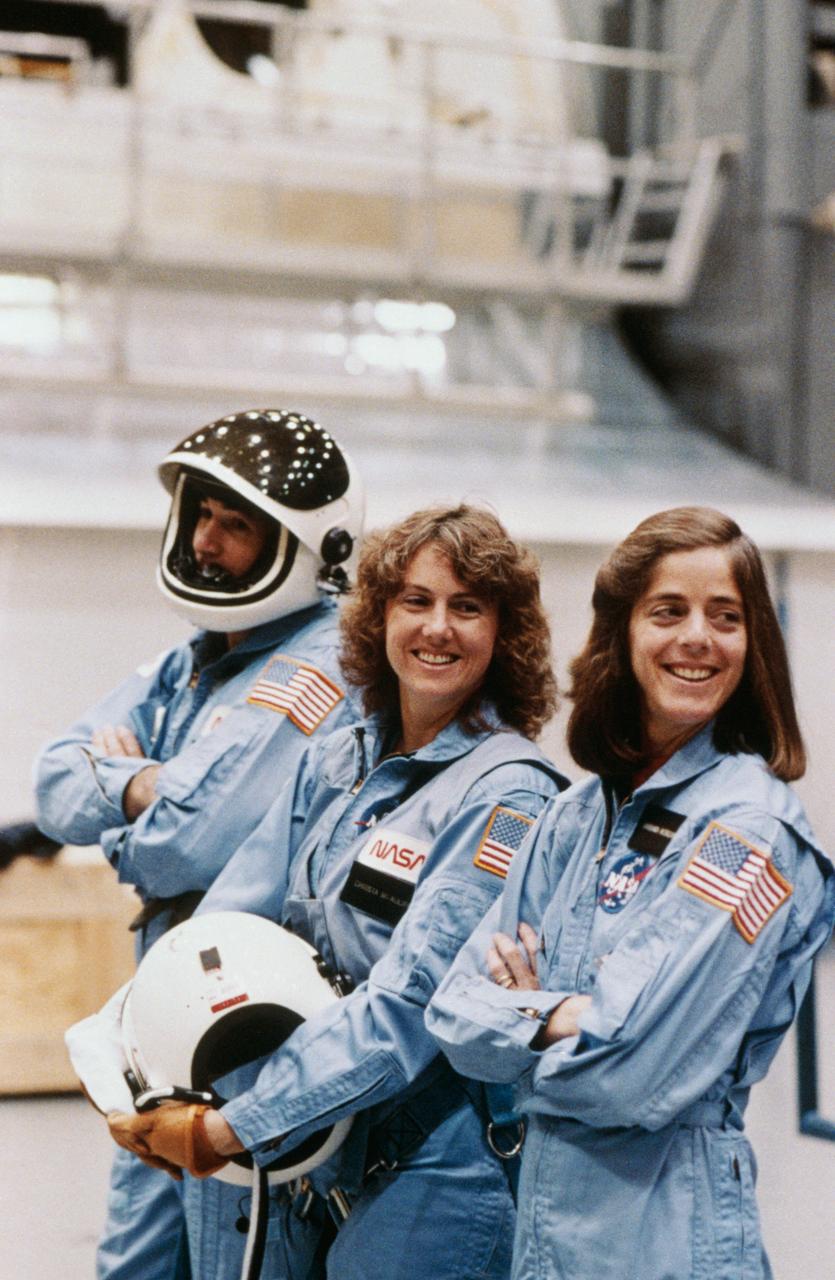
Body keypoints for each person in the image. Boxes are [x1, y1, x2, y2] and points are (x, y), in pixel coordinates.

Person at [105, 503, 569, 1280]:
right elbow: (227, 922)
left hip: (432, 1163)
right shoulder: (338, 760)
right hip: (316, 1149)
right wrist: (153, 1062)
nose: (436, 628)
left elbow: (407, 1007)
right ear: (379, 615)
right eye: (415, 601)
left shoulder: (507, 795)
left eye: (467, 607)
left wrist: (237, 1126)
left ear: (503, 635)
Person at [426, 505, 834, 1280]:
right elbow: (450, 1012)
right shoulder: (574, 816)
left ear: (753, 647)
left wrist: (523, 1019)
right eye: (667, 611)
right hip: (546, 1233)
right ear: (620, 632)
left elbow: (627, 1078)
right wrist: (570, 1018)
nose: (696, 639)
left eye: (725, 617)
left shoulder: (746, 831)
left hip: (667, 1239)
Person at [34, 408, 364, 1280]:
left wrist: (133, 823)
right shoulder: (188, 661)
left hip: (243, 1025)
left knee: (235, 1259)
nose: (208, 543)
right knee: (133, 1265)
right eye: (202, 516)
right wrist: (140, 784)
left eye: (238, 525)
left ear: (303, 547)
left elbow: (185, 843)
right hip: (157, 1013)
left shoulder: (321, 661)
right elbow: (56, 782)